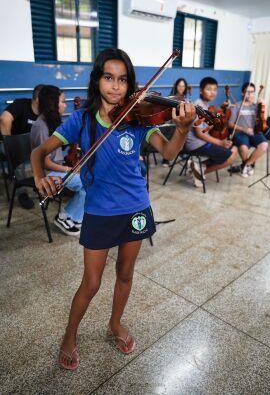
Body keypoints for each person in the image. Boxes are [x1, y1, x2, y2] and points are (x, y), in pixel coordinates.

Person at [31, 48, 196, 370]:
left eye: (122, 80)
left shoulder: (139, 117)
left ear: (130, 85)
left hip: (135, 208)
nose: (116, 87)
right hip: (100, 212)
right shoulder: (80, 119)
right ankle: (69, 335)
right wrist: (39, 176)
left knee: (125, 273)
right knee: (91, 283)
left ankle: (115, 323)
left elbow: (168, 152)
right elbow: (40, 151)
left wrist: (184, 129)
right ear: (97, 81)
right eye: (109, 78)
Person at [30, 85, 85, 236]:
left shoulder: (51, 122)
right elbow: (45, 163)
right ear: (52, 103)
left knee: (90, 177)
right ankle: (65, 216)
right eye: (62, 101)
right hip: (47, 174)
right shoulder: (41, 127)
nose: (65, 105)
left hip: (57, 169)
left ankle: (73, 216)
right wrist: (71, 170)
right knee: (87, 182)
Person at [185, 77, 237, 187]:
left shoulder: (206, 105)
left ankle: (199, 167)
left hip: (202, 142)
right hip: (195, 145)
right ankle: (198, 172)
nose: (212, 92)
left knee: (233, 149)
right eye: (209, 89)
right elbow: (199, 133)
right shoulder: (198, 106)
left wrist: (222, 109)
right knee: (231, 156)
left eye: (214, 89)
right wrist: (220, 142)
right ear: (201, 90)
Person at [0, 84, 44, 209]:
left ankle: (42, 185)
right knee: (19, 157)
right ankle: (22, 192)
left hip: (30, 146)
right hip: (10, 145)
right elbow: (4, 119)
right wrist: (9, 144)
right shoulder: (21, 104)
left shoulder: (46, 112)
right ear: (38, 99)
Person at [228, 82, 268, 178]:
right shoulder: (236, 106)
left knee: (264, 145)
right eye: (247, 92)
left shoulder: (256, 106)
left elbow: (264, 120)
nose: (250, 95)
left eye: (252, 92)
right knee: (243, 148)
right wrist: (244, 129)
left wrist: (264, 106)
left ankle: (246, 165)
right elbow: (230, 124)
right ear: (242, 93)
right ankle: (248, 166)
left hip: (255, 132)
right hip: (241, 133)